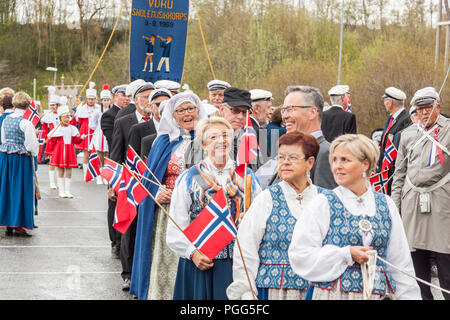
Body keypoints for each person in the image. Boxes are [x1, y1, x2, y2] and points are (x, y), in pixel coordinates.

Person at [288, 134, 421, 300]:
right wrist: (346, 254)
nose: (337, 166)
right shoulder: (323, 203)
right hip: (333, 295)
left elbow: (400, 262)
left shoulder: (386, 204)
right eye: (334, 160)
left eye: (345, 160)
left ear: (365, 164)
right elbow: (300, 255)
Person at [166, 116, 262, 300]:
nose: (221, 140)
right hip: (201, 262)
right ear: (203, 145)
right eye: (213, 137)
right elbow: (176, 225)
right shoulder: (188, 178)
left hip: (238, 263)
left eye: (225, 135)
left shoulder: (248, 177)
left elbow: (260, 219)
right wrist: (192, 253)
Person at [130, 92, 208, 300]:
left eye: (190, 109)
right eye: (181, 110)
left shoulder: (208, 140)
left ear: (199, 112)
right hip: (167, 214)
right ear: (173, 116)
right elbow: (149, 179)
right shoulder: (163, 141)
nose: (186, 114)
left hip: (197, 214)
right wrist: (156, 192)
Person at [227, 132, 320, 300]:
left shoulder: (324, 200)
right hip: (273, 291)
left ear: (310, 162)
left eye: (292, 157)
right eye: (281, 157)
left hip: (315, 290)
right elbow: (246, 247)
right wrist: (246, 292)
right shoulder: (267, 198)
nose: (285, 162)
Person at [391, 87, 450, 300]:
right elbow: (398, 174)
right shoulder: (408, 135)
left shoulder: (448, 130)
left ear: (438, 107)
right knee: (416, 265)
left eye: (429, 108)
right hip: (412, 204)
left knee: (446, 263)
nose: (424, 113)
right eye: (420, 109)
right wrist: (395, 208)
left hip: (443, 204)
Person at [108, 82, 156, 291]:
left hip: (152, 182)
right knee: (129, 227)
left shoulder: (161, 121)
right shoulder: (124, 121)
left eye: (151, 97)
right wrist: (112, 185)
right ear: (136, 100)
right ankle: (127, 273)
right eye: (145, 97)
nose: (148, 101)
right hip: (129, 181)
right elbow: (116, 154)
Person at [256, 85, 337, 190]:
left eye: (290, 109)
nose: (284, 116)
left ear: (312, 113)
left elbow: (324, 201)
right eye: (283, 110)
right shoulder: (285, 153)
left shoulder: (326, 154)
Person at [0, 92, 39, 237]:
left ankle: (8, 223)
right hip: (20, 160)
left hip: (6, 157)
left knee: (8, 189)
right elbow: (31, 146)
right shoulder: (26, 122)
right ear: (28, 106)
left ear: (14, 104)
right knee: (21, 190)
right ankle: (18, 223)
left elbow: (4, 139)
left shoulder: (6, 120)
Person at [100, 84, 129, 259]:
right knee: (114, 201)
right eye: (122, 95)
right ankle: (115, 241)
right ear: (114, 97)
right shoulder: (109, 116)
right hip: (117, 161)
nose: (125, 98)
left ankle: (123, 240)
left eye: (128, 96)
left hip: (131, 163)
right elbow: (113, 140)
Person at [376, 87, 411, 195]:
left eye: (385, 100)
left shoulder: (406, 120)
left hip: (394, 171)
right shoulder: (391, 119)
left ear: (390, 102)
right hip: (385, 170)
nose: (384, 103)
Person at [47, 105, 86, 198]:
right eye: (64, 117)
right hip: (60, 151)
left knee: (69, 170)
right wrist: (51, 151)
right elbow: (52, 142)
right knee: (60, 169)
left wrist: (81, 138)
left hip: (69, 150)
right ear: (60, 118)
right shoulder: (57, 129)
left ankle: (67, 190)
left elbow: (75, 140)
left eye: (68, 117)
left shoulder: (72, 128)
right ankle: (61, 191)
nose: (66, 119)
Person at [74, 83, 100, 177]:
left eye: (93, 99)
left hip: (95, 131)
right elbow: (79, 121)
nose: (91, 101)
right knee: (86, 153)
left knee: (96, 152)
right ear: (87, 99)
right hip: (86, 131)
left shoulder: (98, 108)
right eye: (89, 99)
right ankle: (86, 173)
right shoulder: (82, 108)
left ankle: (95, 173)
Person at [89, 85, 112, 184]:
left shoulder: (112, 111)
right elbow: (92, 124)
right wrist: (98, 129)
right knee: (99, 156)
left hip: (110, 135)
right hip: (99, 135)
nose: (106, 102)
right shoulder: (98, 111)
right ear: (101, 101)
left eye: (108, 100)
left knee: (108, 156)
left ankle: (106, 176)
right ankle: (98, 175)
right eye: (104, 100)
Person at [41, 94, 61, 190]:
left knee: (60, 162)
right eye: (51, 105)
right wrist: (46, 137)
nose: (53, 107)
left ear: (58, 105)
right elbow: (44, 127)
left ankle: (59, 180)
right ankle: (52, 182)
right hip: (52, 140)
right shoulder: (48, 116)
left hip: (61, 140)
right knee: (52, 162)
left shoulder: (62, 114)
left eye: (54, 105)